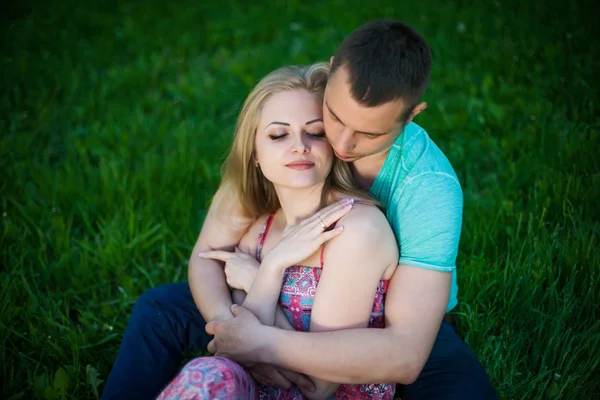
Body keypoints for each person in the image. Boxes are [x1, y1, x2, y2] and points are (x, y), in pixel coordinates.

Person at [101, 19, 497, 400]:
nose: (341, 142)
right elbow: (207, 257)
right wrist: (231, 329)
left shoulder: (427, 187)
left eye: (368, 132)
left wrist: (262, 340)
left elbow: (403, 352)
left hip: (389, 318)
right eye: (335, 119)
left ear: (411, 116)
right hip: (276, 297)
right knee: (160, 309)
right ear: (329, 76)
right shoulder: (291, 132)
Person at [156, 62, 399, 399]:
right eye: (278, 134)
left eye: (315, 132)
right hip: (257, 390)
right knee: (206, 374)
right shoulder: (258, 229)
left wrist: (263, 274)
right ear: (255, 153)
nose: (299, 145)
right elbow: (236, 347)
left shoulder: (356, 228)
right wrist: (268, 271)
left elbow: (318, 385)